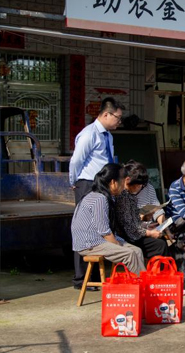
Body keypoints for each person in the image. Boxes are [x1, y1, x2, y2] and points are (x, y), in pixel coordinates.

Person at [68, 97, 125, 290]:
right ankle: (80, 278)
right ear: (106, 114)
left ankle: (94, 276)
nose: (119, 121)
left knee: (102, 228)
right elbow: (76, 161)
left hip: (103, 186)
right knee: (85, 230)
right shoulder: (89, 134)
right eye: (117, 117)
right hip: (88, 184)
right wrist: (73, 182)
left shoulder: (108, 135)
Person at [71, 163, 145, 275]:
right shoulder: (99, 198)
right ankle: (145, 285)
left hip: (98, 241)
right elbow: (104, 231)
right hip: (90, 244)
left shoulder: (102, 196)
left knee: (137, 251)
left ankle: (137, 285)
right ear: (113, 182)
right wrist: (119, 245)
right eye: (122, 182)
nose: (123, 186)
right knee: (129, 254)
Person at [113, 160, 170, 260]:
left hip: (134, 232)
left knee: (161, 241)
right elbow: (129, 228)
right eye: (139, 185)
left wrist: (146, 224)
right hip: (127, 237)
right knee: (160, 245)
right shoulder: (122, 196)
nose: (141, 187)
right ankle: (159, 273)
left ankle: (160, 271)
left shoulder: (129, 194)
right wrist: (149, 232)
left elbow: (134, 222)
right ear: (128, 180)